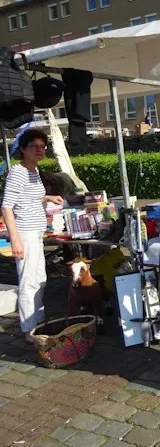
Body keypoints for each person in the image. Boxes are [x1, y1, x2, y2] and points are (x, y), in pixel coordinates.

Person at [1, 129, 64, 342]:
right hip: (25, 234)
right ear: (22, 149)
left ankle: (38, 320)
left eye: (42, 146)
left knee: (40, 279)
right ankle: (29, 329)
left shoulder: (34, 172)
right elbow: (7, 206)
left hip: (36, 233)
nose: (39, 150)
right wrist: (15, 239)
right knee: (28, 281)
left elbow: (27, 198)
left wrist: (46, 197)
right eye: (34, 146)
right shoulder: (17, 173)